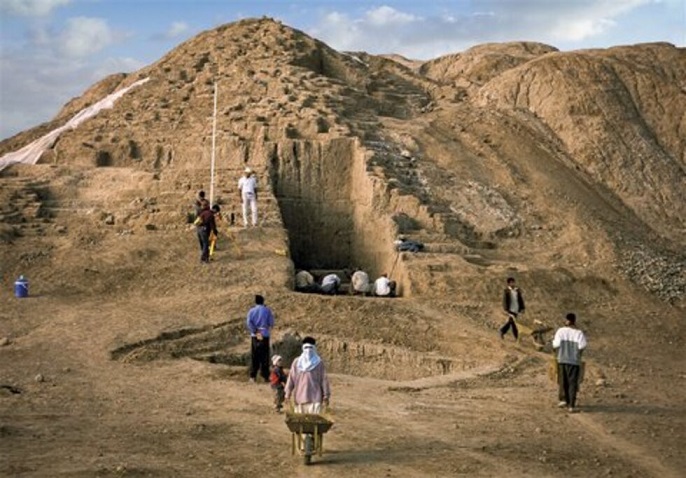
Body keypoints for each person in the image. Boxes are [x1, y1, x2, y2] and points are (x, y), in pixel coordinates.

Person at [285, 336, 331, 414]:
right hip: (300, 399)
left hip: (315, 400)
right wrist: (287, 393)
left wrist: (326, 395)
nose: (308, 350)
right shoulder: (297, 362)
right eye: (306, 347)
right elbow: (291, 379)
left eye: (310, 347)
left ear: (314, 348)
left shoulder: (319, 363)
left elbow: (324, 380)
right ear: (303, 348)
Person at [552, 313, 587, 413]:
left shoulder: (560, 331)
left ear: (566, 320)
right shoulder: (579, 333)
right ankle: (571, 405)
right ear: (574, 321)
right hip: (574, 361)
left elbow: (555, 344)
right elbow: (582, 346)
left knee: (563, 381)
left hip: (562, 359)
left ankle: (564, 400)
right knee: (572, 383)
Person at [246, 295, 275, 383]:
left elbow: (248, 322)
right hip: (264, 334)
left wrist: (254, 330)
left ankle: (253, 376)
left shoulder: (251, 311)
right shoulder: (267, 310)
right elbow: (271, 323)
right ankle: (265, 376)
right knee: (264, 356)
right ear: (263, 301)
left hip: (255, 335)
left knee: (255, 355)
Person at [194, 199, 218, 263]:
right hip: (203, 230)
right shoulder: (210, 214)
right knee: (206, 244)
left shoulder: (202, 212)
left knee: (203, 245)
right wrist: (215, 233)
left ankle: (206, 258)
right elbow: (213, 226)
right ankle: (203, 258)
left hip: (198, 230)